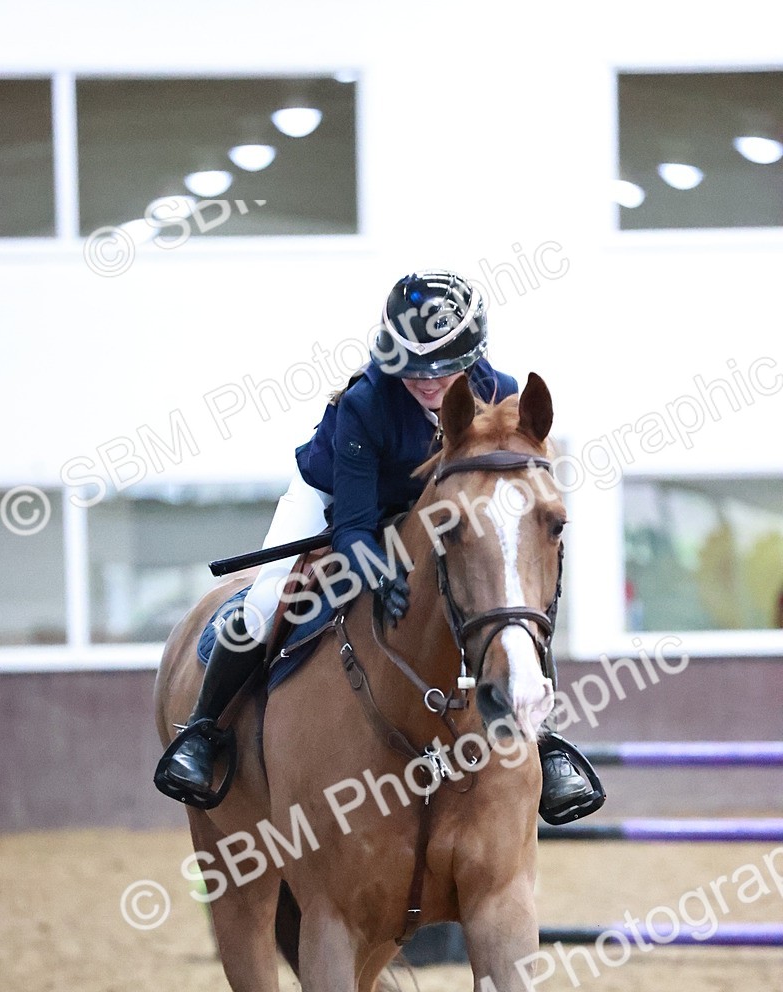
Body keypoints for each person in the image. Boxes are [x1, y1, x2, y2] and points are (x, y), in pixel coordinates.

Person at [162, 270, 600, 819]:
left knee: (505, 597)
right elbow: (351, 524)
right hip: (337, 498)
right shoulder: (367, 403)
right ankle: (205, 732)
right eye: (413, 369)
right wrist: (374, 570)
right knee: (263, 603)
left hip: (439, 508)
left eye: (441, 370)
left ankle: (546, 737)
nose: (427, 382)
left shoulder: (500, 392)